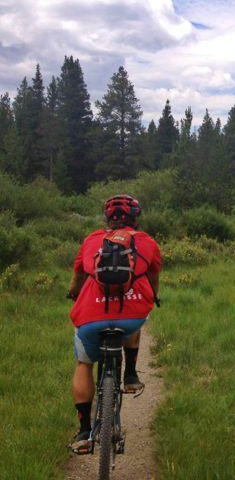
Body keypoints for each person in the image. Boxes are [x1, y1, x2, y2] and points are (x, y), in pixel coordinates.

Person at [66, 194, 162, 454]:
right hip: (130, 314)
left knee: (84, 364)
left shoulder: (92, 240)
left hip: (89, 316)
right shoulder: (146, 241)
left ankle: (85, 431)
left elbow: (78, 274)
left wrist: (74, 293)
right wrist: (154, 294)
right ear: (135, 217)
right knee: (134, 321)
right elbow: (153, 275)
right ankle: (130, 375)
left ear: (107, 219)